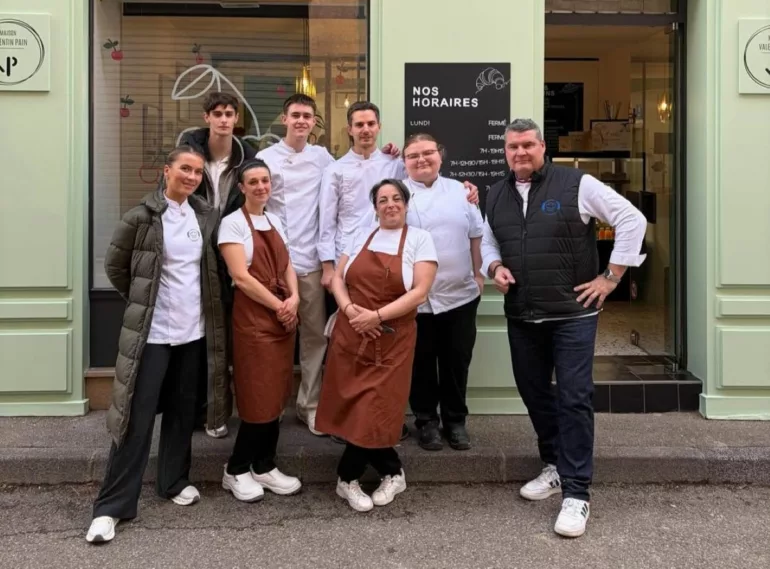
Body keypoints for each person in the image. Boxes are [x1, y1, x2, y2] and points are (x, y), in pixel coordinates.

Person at [481, 118, 647, 538]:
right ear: (505, 151)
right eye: (512, 147)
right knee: (533, 391)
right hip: (523, 314)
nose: (519, 153)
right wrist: (494, 267)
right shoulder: (496, 194)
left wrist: (610, 277)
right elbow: (488, 242)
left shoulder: (578, 184)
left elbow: (632, 220)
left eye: (527, 146)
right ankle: (554, 464)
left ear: (541, 147)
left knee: (574, 398)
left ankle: (577, 493)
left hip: (573, 316)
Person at [86, 146, 230, 544]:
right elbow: (117, 268)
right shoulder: (142, 217)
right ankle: (111, 508)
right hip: (152, 335)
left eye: (198, 172)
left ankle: (173, 480)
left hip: (192, 333)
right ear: (167, 171)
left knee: (184, 413)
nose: (191, 176)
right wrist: (143, 303)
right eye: (184, 168)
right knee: (136, 418)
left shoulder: (204, 215)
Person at [316, 179, 438, 513]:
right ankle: (392, 471)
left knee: (377, 407)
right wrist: (349, 309)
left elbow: (419, 292)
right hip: (352, 333)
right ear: (375, 207)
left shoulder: (420, 239)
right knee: (354, 406)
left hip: (392, 337)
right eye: (382, 199)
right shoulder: (360, 235)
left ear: (406, 203)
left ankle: (346, 476)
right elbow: (338, 278)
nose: (390, 204)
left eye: (396, 198)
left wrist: (377, 315)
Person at [217, 159, 302, 502]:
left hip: (283, 317)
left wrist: (294, 297)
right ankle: (236, 469)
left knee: (277, 394)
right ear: (241, 187)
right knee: (257, 396)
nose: (260, 187)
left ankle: (264, 465)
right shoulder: (232, 225)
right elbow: (241, 278)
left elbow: (288, 265)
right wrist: (279, 305)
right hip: (255, 319)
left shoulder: (276, 220)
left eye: (265, 180)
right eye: (252, 182)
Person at [398, 133, 485, 452]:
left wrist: (478, 274)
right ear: (404, 162)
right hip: (414, 299)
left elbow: (477, 235)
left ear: (441, 155)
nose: (421, 159)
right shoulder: (397, 193)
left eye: (428, 153)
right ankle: (426, 422)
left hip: (460, 294)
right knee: (420, 362)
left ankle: (455, 421)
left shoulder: (462, 191)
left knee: (456, 361)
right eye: (413, 155)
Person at [180, 91, 259, 439]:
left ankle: (223, 410)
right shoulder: (188, 157)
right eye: (218, 113)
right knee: (197, 337)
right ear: (207, 117)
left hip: (232, 257)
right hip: (191, 258)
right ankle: (199, 410)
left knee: (229, 337)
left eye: (230, 113)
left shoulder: (247, 160)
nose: (224, 119)